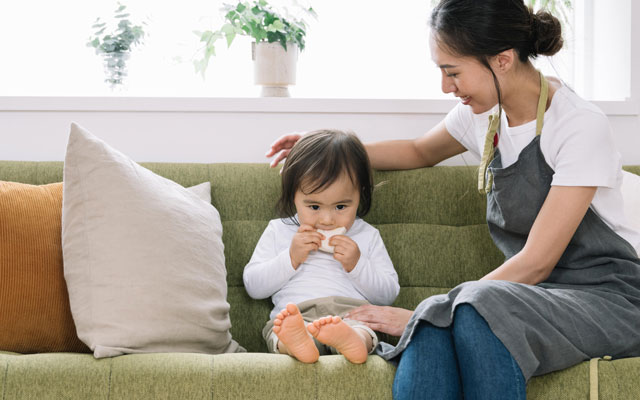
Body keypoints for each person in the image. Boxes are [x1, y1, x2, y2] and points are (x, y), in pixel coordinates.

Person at [264, 0, 640, 398]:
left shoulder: (577, 125)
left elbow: (536, 262)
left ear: (502, 60)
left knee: (461, 310)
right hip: (530, 297)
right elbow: (417, 151)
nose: (446, 86)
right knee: (438, 331)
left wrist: (434, 308)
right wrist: (326, 150)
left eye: (453, 72)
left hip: (607, 297)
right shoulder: (484, 114)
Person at [244, 129, 400, 364]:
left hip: (352, 314)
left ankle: (353, 341)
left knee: (363, 330)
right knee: (281, 332)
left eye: (341, 207)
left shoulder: (367, 235)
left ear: (360, 196)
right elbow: (254, 286)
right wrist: (291, 258)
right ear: (293, 196)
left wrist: (357, 265)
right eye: (314, 207)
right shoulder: (280, 230)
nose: (327, 220)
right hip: (297, 314)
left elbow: (388, 293)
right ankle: (298, 344)